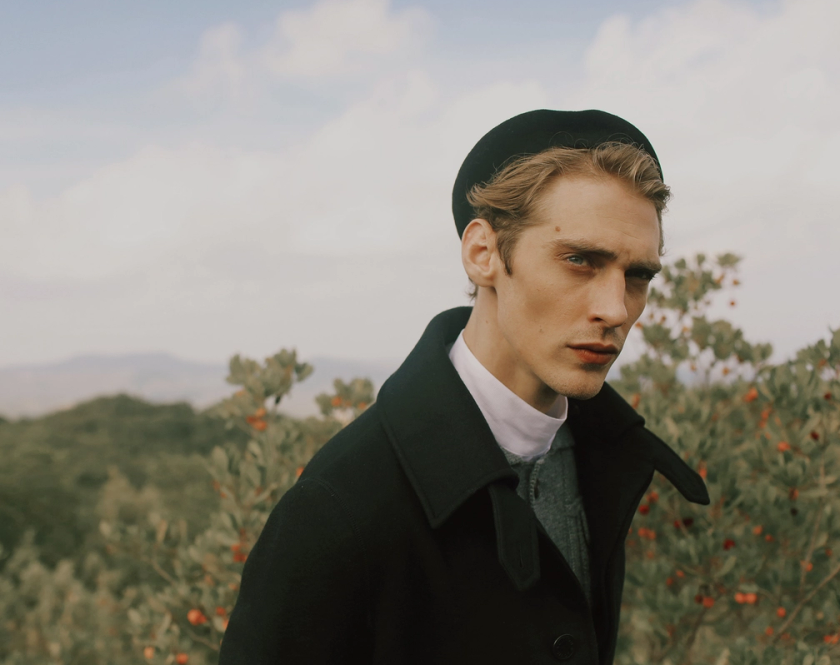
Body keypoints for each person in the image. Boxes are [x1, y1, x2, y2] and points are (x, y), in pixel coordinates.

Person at [218, 109, 711, 664]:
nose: (616, 309)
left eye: (638, 275)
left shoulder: (603, 455)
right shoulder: (339, 511)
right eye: (579, 260)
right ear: (483, 254)